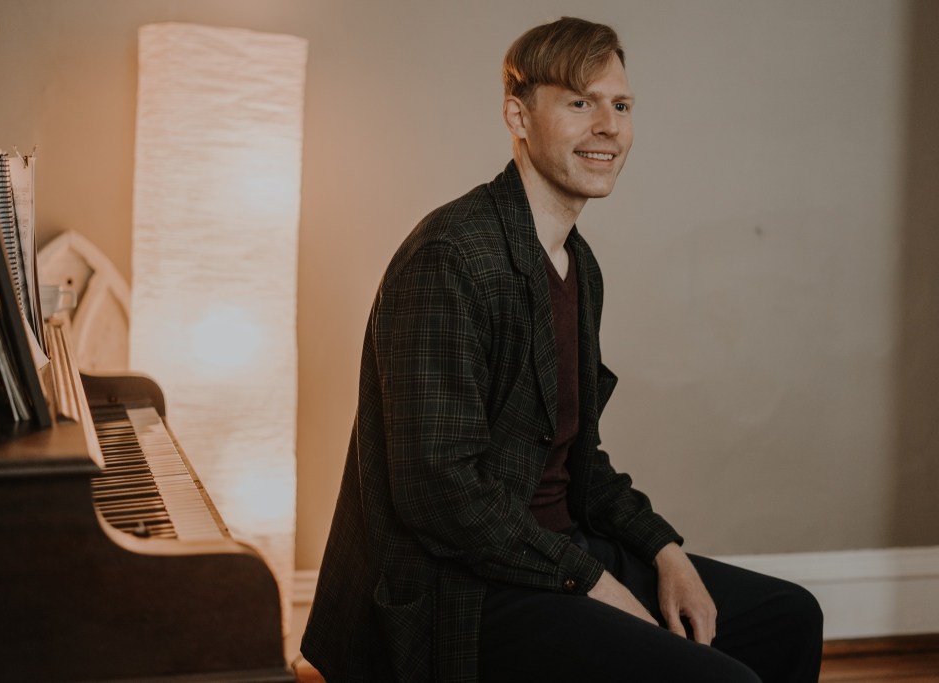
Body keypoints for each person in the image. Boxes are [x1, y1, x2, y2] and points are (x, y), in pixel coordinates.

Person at [301, 16, 823, 683]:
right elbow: (441, 494)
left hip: (554, 549)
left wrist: (664, 550)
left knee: (789, 614)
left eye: (621, 105)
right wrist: (594, 584)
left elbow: (577, 457)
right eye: (580, 102)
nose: (608, 124)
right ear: (518, 116)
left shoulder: (578, 263)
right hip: (463, 588)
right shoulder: (450, 257)